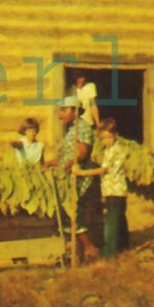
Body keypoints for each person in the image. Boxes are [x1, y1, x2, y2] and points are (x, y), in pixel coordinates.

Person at [49, 95, 100, 261]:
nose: (60, 114)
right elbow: (64, 155)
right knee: (68, 215)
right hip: (67, 178)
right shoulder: (71, 130)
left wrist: (69, 164)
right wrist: (48, 163)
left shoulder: (82, 128)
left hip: (79, 180)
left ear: (74, 112)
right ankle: (76, 252)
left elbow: (83, 153)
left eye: (64, 111)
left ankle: (90, 249)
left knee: (74, 215)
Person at [73, 118, 129, 260]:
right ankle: (123, 246)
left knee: (111, 221)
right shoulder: (110, 149)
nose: (105, 141)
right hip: (115, 190)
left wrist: (81, 173)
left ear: (115, 135)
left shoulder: (115, 150)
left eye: (108, 137)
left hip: (114, 190)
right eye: (103, 138)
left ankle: (109, 252)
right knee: (119, 218)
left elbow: (103, 170)